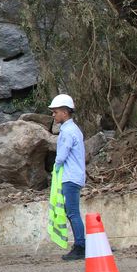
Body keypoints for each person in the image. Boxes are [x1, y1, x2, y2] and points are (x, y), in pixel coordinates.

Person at [49, 93, 86, 261]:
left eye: (55, 112)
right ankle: (81, 244)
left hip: (70, 177)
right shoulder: (73, 129)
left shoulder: (68, 131)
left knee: (72, 212)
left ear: (65, 112)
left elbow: (61, 156)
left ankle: (80, 246)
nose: (53, 115)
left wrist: (55, 168)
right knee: (72, 211)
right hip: (74, 176)